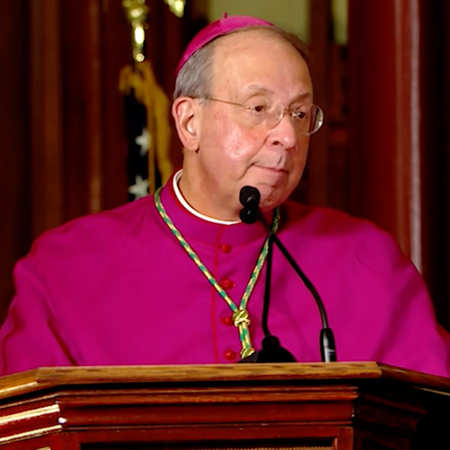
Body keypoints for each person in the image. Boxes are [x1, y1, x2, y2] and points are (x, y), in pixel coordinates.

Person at [1, 15, 449, 377]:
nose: (287, 137)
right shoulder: (65, 267)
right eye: (259, 109)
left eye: (299, 113)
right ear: (189, 122)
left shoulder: (366, 259)